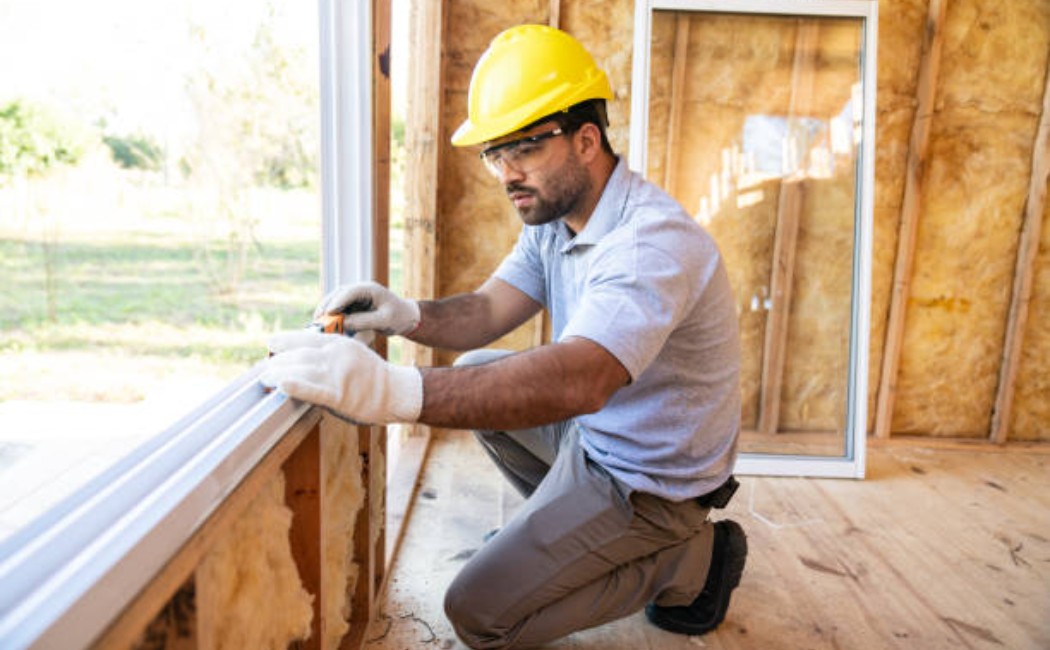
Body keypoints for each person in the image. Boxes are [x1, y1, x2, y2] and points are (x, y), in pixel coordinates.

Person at [262, 24, 746, 650]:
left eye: (522, 149)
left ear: (586, 140)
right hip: (602, 442)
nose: (505, 173)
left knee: (479, 612)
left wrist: (393, 392)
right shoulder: (557, 216)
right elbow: (488, 308)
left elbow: (582, 379)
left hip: (651, 483)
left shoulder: (648, 244)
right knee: (478, 366)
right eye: (496, 153)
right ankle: (568, 549)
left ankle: (691, 559)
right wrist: (403, 313)